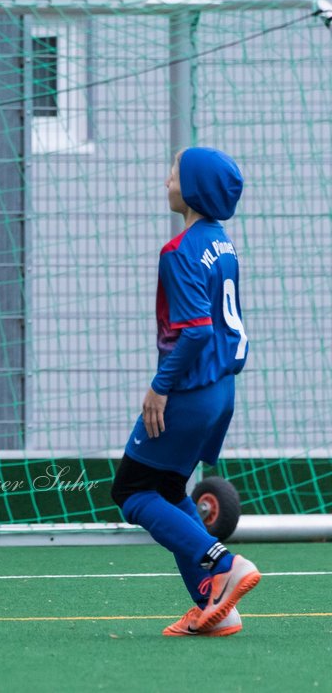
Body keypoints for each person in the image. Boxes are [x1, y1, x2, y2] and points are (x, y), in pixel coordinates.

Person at [110, 146, 260, 636]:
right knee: (170, 489)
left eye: (173, 173)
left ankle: (221, 563)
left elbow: (195, 331)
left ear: (192, 188)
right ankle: (216, 609)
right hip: (221, 391)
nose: (166, 181)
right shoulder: (225, 244)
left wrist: (159, 387)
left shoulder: (180, 251)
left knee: (131, 491)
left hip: (191, 390)